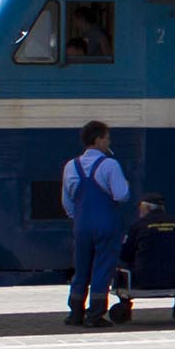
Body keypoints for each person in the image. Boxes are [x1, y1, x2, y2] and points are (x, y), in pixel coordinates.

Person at [61, 122, 132, 326]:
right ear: (99, 139)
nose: (109, 141)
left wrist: (78, 217)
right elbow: (121, 195)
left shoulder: (71, 166)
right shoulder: (110, 165)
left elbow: (67, 201)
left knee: (81, 267)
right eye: (107, 138)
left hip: (82, 224)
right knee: (102, 267)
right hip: (106, 223)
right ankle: (95, 315)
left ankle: (75, 313)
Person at [116, 193, 175, 323]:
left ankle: (125, 306)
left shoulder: (139, 225)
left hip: (147, 279)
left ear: (145, 209)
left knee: (121, 267)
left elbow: (126, 254)